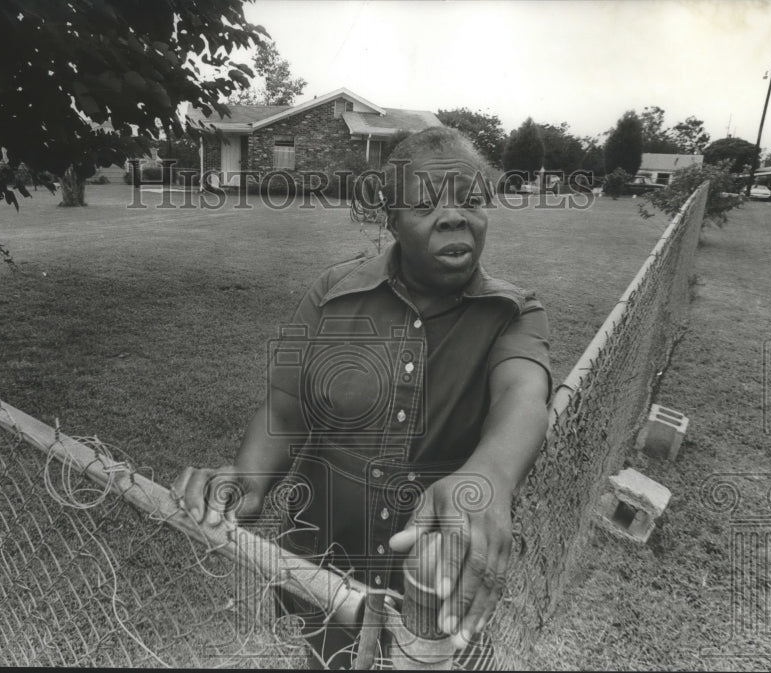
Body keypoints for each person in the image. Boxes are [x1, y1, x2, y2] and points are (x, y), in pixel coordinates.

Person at [172, 126, 551, 669]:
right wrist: (248, 480)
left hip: (434, 589)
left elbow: (524, 393)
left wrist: (488, 475)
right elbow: (285, 409)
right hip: (324, 574)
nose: (453, 216)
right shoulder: (333, 294)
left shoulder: (514, 313)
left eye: (471, 200)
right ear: (390, 217)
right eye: (424, 204)